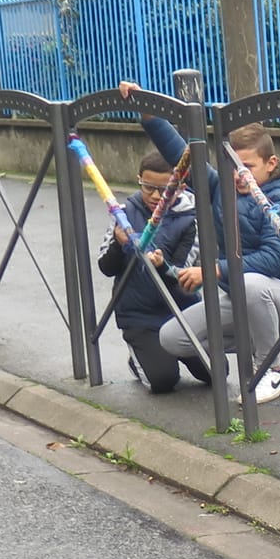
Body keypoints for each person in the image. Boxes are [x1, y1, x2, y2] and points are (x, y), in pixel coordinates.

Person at [116, 85, 280, 405]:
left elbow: (276, 256)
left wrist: (212, 271)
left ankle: (271, 368)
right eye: (232, 165)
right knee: (173, 338)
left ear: (271, 163)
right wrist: (149, 114)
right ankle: (262, 341)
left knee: (248, 282)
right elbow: (182, 155)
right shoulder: (219, 187)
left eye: (248, 166)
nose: (238, 175)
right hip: (241, 295)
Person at [95, 151, 208, 394]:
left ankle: (172, 353)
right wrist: (118, 243)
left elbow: (185, 273)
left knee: (214, 373)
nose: (156, 196)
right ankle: (141, 359)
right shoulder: (123, 213)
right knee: (163, 381)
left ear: (181, 187)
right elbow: (105, 267)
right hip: (140, 316)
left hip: (181, 310)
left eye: (165, 190)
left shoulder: (193, 218)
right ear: (139, 181)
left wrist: (161, 264)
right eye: (148, 188)